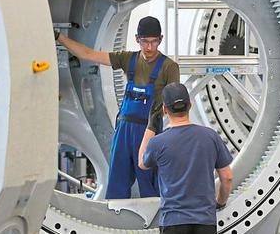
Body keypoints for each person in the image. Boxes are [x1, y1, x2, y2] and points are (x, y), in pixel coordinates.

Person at [56, 16, 180, 199]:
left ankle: (154, 218)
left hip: (149, 131)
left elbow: (173, 106)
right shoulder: (128, 59)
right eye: (144, 41)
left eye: (154, 42)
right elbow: (87, 54)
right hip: (123, 130)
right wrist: (59, 37)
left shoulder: (169, 67)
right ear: (137, 39)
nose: (149, 47)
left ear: (160, 39)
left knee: (151, 187)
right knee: (117, 184)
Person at [140, 83, 234, 234]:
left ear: (165, 110)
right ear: (190, 105)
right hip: (205, 221)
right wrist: (220, 202)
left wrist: (150, 126)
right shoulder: (211, 137)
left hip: (173, 221)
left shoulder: (158, 142)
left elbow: (142, 163)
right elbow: (227, 177)